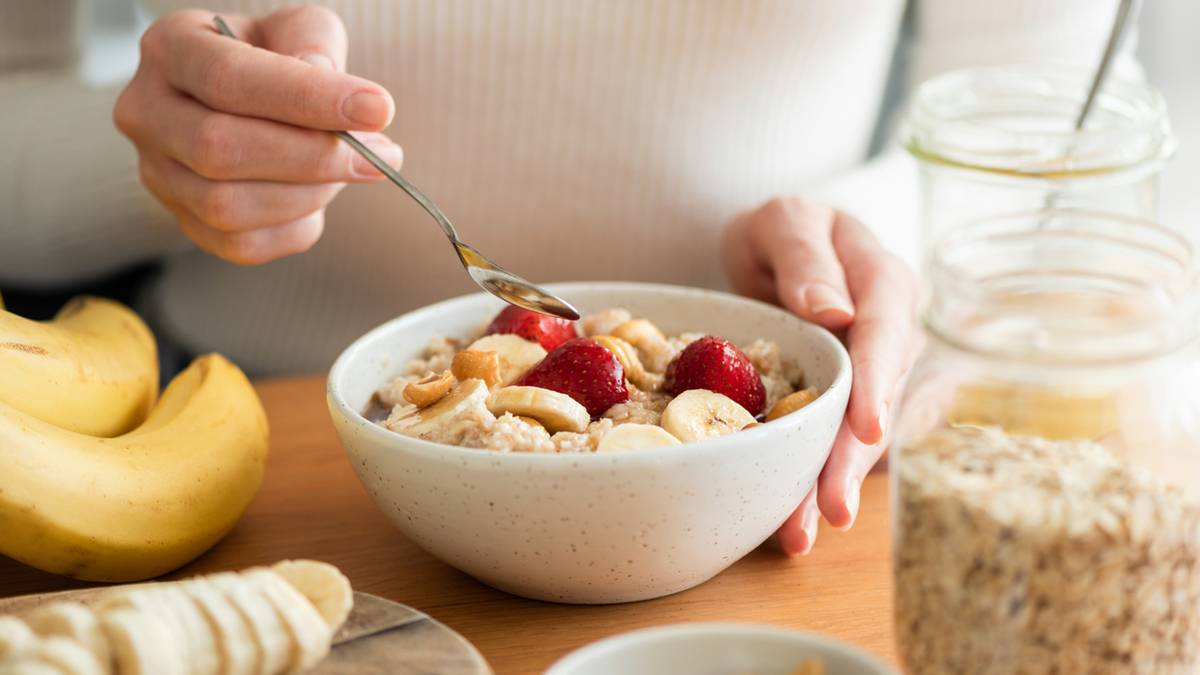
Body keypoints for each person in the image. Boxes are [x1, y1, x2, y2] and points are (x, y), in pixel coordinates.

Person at [0, 0, 1137, 556]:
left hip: (771, 480)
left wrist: (868, 238)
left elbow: (1072, 127)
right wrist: (168, 155)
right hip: (269, 469)